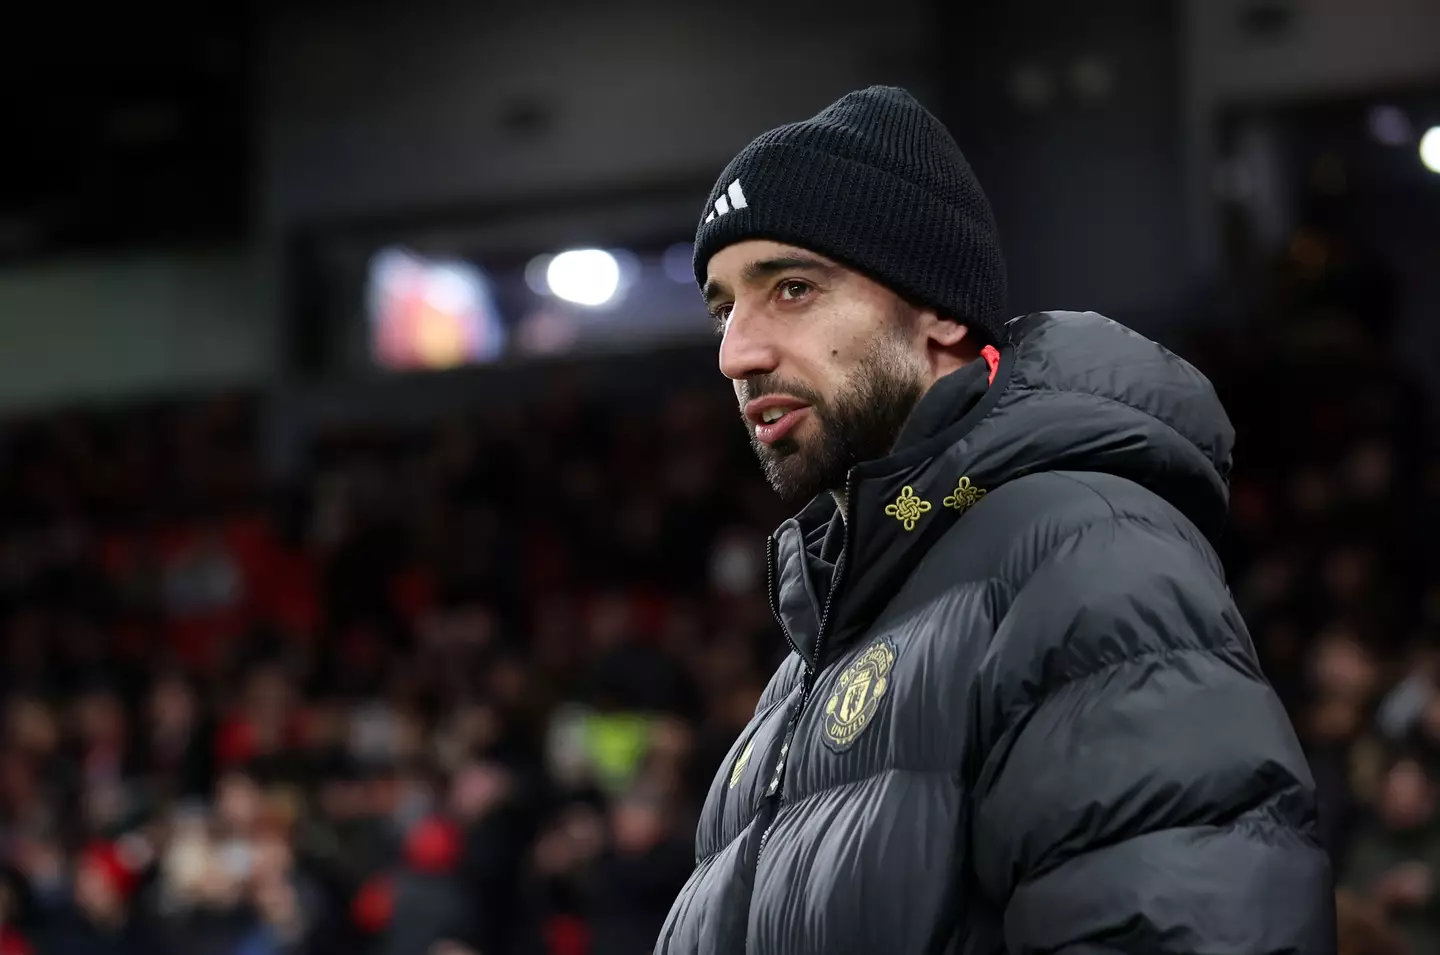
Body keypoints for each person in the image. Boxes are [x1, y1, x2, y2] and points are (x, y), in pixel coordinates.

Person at [655, 86, 1335, 954]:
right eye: (723, 307)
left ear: (938, 310)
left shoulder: (1088, 554)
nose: (735, 353)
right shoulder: (811, 658)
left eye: (791, 288)